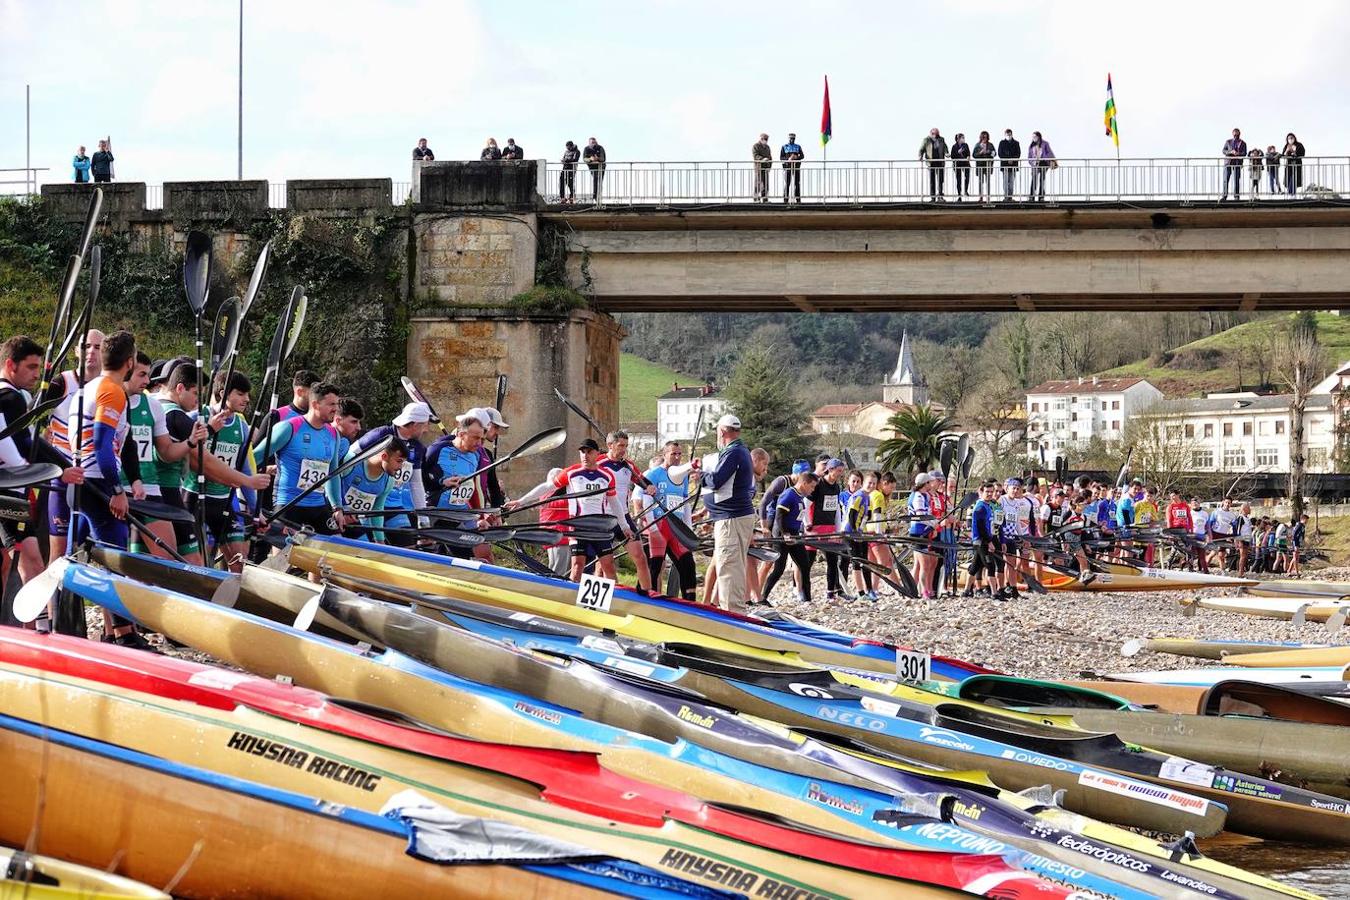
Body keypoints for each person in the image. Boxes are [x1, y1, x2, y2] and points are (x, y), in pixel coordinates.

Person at [0, 335, 86, 629]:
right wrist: (62, 468)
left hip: (11, 489)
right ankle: (37, 633)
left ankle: (14, 634)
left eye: (39, 367)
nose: (37, 375)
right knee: (33, 562)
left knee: (10, 564)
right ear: (11, 365)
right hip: (8, 493)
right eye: (31, 367)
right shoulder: (10, 397)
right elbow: (26, 442)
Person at [66, 330, 142, 645]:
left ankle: (110, 633)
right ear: (130, 361)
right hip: (96, 483)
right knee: (116, 560)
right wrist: (117, 491)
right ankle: (125, 636)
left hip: (83, 484)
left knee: (92, 562)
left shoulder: (91, 387)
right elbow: (101, 447)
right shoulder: (111, 390)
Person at [188, 369, 269, 570]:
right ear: (223, 392)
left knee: (239, 564)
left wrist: (256, 509)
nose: (247, 399)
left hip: (224, 502)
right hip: (196, 500)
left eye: (247, 394)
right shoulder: (197, 416)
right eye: (240, 394)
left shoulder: (241, 427)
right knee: (201, 565)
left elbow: (245, 471)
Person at [253, 382, 347, 538]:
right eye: (331, 404)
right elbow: (254, 458)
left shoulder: (333, 434)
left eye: (336, 404)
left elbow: (333, 473)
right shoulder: (288, 427)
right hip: (288, 505)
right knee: (284, 559)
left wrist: (337, 508)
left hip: (318, 506)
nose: (336, 409)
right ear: (316, 404)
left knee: (336, 552)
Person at [347, 401, 430, 548]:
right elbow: (348, 458)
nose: (427, 430)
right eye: (425, 425)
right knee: (368, 550)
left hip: (394, 505)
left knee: (407, 548)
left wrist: (424, 521)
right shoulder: (380, 434)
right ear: (415, 424)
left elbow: (416, 484)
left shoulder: (417, 448)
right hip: (368, 503)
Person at [702, 414, 755, 613]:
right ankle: (731, 609)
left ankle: (733, 613)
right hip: (733, 517)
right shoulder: (739, 451)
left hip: (731, 519)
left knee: (729, 567)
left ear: (723, 431)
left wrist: (700, 476)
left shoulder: (734, 453)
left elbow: (716, 481)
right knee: (731, 565)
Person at [556, 438, 620, 581]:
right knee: (577, 566)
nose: (585, 455)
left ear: (597, 453)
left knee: (608, 566)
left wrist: (625, 526)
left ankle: (614, 601)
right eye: (582, 452)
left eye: (589, 452)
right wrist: (522, 501)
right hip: (578, 527)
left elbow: (615, 504)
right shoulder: (571, 473)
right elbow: (548, 486)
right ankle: (571, 601)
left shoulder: (607, 476)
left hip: (599, 528)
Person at [599, 430, 655, 592]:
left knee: (640, 557)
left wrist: (650, 486)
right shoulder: (599, 464)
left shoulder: (628, 465)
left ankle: (647, 596)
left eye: (626, 446)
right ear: (610, 445)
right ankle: (609, 597)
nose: (624, 449)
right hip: (603, 518)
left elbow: (641, 479)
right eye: (620, 446)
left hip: (624, 517)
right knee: (604, 564)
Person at [760, 470, 817, 604]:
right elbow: (779, 515)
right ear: (804, 483)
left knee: (804, 565)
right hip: (782, 535)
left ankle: (807, 599)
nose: (813, 490)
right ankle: (763, 597)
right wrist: (784, 533)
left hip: (795, 534)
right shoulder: (789, 494)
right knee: (779, 569)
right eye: (812, 486)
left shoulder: (800, 496)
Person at [339, 438, 408, 544]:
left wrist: (380, 539)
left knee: (367, 551)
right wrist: (339, 508)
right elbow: (330, 483)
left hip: (354, 521)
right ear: (384, 456)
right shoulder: (351, 461)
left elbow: (377, 509)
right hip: (331, 513)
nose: (400, 467)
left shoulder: (389, 481)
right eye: (399, 461)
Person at [918, 128, 948, 201]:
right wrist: (920, 155)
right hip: (931, 163)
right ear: (931, 133)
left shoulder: (941, 139)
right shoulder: (926, 140)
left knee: (940, 180)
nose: (935, 135)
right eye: (934, 134)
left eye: (937, 134)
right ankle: (933, 197)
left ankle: (940, 196)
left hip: (940, 162)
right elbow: (921, 149)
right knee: (932, 180)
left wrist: (947, 153)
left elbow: (945, 147)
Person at [1027, 131, 1055, 201]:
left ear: (1039, 137)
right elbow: (1029, 157)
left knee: (1042, 180)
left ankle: (1041, 196)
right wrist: (1032, 162)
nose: (1033, 138)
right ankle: (1032, 196)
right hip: (1035, 164)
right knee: (1034, 180)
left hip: (1043, 163)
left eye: (1035, 137)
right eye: (1033, 137)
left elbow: (1049, 152)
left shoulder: (1045, 144)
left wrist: (1050, 160)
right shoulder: (1031, 145)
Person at [1221, 128, 1247, 201]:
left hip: (1237, 163)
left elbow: (1244, 153)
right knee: (1226, 179)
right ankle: (1224, 196)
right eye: (1234, 133)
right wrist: (1230, 152)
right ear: (1232, 133)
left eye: (1237, 132)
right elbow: (1223, 151)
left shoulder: (1243, 143)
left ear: (1239, 133)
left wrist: (1238, 154)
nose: (1236, 134)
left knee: (1236, 180)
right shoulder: (1228, 142)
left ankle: (1236, 196)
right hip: (1228, 163)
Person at [997, 129, 1020, 201]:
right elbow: (1000, 153)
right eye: (1007, 135)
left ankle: (1010, 197)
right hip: (1005, 165)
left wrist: (1012, 159)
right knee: (1005, 182)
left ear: (1012, 134)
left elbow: (1018, 153)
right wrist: (1008, 159)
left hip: (1013, 165)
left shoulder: (1016, 143)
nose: (1008, 136)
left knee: (1012, 181)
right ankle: (1006, 196)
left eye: (1009, 134)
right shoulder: (1002, 143)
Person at [780, 133, 803, 204]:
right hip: (787, 167)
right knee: (787, 183)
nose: (792, 140)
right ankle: (785, 199)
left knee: (797, 183)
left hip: (796, 167)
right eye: (790, 138)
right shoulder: (784, 146)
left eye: (793, 138)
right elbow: (781, 157)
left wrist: (796, 157)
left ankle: (798, 198)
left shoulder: (798, 146)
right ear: (788, 138)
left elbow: (802, 155)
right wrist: (788, 158)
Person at [972, 131, 995, 202]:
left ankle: (988, 197)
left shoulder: (990, 145)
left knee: (988, 182)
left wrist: (988, 152)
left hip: (988, 165)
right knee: (980, 182)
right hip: (980, 165)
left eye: (986, 137)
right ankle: (981, 196)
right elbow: (974, 155)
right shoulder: (977, 145)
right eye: (983, 137)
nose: (985, 138)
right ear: (981, 137)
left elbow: (994, 153)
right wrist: (980, 153)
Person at [582, 137, 606, 202]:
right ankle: (595, 196)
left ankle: (597, 197)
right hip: (592, 167)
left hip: (601, 167)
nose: (594, 144)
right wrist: (590, 159)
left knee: (599, 181)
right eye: (592, 143)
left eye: (594, 142)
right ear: (589, 143)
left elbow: (603, 159)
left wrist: (597, 158)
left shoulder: (600, 148)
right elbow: (584, 158)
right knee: (595, 180)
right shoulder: (586, 149)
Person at [1283, 133, 1306, 197]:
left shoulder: (1299, 145)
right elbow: (1283, 154)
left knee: (1294, 178)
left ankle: (1291, 194)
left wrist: (1294, 152)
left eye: (1292, 138)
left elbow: (1302, 153)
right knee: (1289, 179)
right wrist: (1287, 151)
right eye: (1289, 138)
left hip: (1297, 164)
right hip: (1289, 165)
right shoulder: (1287, 145)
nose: (1290, 139)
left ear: (1294, 138)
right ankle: (1292, 194)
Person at [752, 133, 773, 203]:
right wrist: (762, 159)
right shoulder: (756, 146)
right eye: (764, 139)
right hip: (759, 167)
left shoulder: (767, 147)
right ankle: (756, 198)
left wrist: (769, 166)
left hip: (766, 168)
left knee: (765, 183)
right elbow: (755, 155)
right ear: (761, 139)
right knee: (758, 183)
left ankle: (765, 198)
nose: (765, 141)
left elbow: (770, 157)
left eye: (766, 139)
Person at [950, 133, 971, 201]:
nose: (963, 139)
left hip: (965, 164)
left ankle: (965, 191)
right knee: (958, 180)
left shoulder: (965, 145)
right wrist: (958, 152)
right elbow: (952, 156)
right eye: (962, 138)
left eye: (964, 138)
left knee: (967, 177)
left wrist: (968, 157)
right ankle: (959, 194)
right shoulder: (954, 146)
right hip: (958, 164)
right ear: (958, 139)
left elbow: (968, 153)